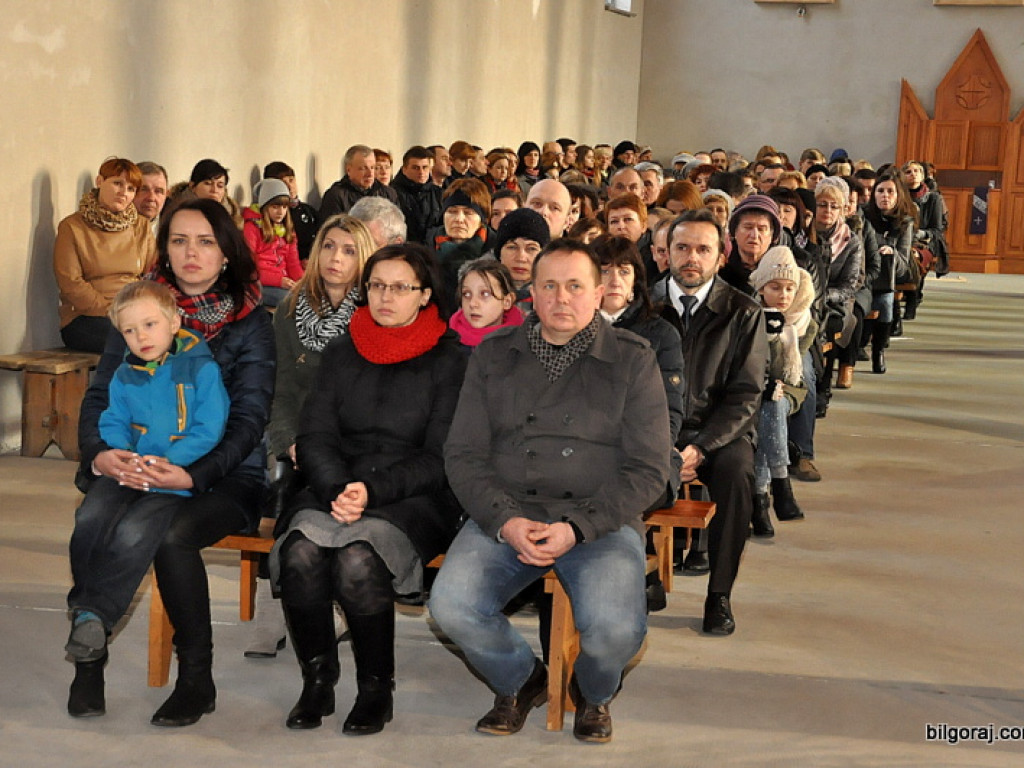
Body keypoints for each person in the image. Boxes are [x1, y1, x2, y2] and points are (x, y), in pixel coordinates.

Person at [430, 238, 672, 744]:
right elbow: (464, 454)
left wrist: (579, 527)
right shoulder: (494, 355)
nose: (562, 299)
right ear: (530, 295)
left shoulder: (633, 359)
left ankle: (593, 693)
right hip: (508, 511)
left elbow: (650, 469)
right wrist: (504, 519)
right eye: (549, 287)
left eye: (575, 286)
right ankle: (522, 680)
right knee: (451, 606)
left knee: (615, 632)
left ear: (600, 292)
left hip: (597, 520)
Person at [67, 197, 274, 724]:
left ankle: (196, 681)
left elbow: (249, 421)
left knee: (171, 534)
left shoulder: (251, 322)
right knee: (92, 515)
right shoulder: (137, 310)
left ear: (227, 252)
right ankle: (89, 660)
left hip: (227, 473)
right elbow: (99, 398)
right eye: (179, 240)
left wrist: (193, 472)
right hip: (137, 459)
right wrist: (102, 455)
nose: (191, 253)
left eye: (206, 241)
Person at [273, 243, 467, 735]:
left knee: (357, 560)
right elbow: (314, 433)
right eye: (376, 285)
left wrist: (370, 492)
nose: (385, 296)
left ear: (424, 295)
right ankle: (318, 678)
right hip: (334, 485)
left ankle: (376, 687)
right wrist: (340, 486)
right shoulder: (342, 350)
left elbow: (440, 455)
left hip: (411, 496)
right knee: (300, 553)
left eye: (400, 287)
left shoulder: (451, 360)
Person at [245, 214, 377, 659]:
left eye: (348, 250)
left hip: (351, 440)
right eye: (328, 247)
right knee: (281, 488)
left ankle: (335, 599)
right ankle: (272, 605)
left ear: (364, 260)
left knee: (337, 497)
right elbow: (278, 388)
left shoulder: (373, 314)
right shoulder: (288, 309)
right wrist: (288, 440)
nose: (335, 258)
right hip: (299, 438)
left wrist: (326, 449)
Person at [655, 208, 768, 635]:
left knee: (738, 474)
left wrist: (701, 446)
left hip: (719, 432)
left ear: (721, 256)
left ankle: (719, 594)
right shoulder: (646, 307)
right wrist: (663, 442)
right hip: (657, 427)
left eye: (703, 249)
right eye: (682, 248)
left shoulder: (743, 311)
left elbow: (746, 393)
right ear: (665, 253)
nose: (691, 258)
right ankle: (643, 575)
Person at [95, 281, 230, 498]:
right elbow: (114, 418)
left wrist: (172, 459)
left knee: (137, 528)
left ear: (174, 323)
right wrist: (123, 453)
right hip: (133, 474)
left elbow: (210, 427)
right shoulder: (123, 375)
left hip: (178, 476)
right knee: (92, 517)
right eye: (130, 330)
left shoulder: (202, 370)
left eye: (150, 324)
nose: (141, 337)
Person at [747, 248, 817, 536]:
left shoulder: (804, 322)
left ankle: (764, 497)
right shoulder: (748, 316)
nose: (784, 295)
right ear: (761, 288)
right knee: (768, 408)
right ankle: (777, 488)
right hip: (754, 389)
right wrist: (769, 333)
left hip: (789, 389)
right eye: (775, 287)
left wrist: (778, 336)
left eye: (790, 288)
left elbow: (789, 374)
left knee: (773, 405)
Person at [54, 157, 155, 353]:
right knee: (131, 342)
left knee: (176, 338)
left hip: (135, 314)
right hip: (86, 317)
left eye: (131, 189)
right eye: (117, 183)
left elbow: (152, 275)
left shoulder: (141, 226)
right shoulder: (72, 227)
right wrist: (111, 311)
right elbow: (70, 282)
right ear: (99, 182)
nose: (123, 193)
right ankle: (111, 385)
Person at [862, 171, 916, 374]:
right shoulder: (864, 216)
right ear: (874, 194)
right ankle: (860, 343)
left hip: (886, 278)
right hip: (863, 274)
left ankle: (878, 350)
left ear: (898, 195)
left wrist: (891, 253)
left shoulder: (904, 222)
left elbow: (904, 266)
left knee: (885, 301)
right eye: (880, 191)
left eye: (890, 192)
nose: (885, 196)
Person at [814, 177, 864, 396]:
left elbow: (849, 286)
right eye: (822, 204)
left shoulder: (851, 241)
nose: (828, 210)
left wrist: (821, 297)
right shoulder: (805, 235)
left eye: (834, 206)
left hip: (834, 300)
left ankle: (824, 386)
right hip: (802, 297)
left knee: (831, 324)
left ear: (842, 209)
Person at [429, 178, 493, 310]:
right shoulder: (427, 250)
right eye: (452, 211)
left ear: (482, 219)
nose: (459, 219)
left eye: (468, 212)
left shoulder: (496, 251)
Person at [243, 178, 303, 307]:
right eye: (275, 207)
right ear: (265, 207)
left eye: (284, 207)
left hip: (283, 282)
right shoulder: (252, 228)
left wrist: (302, 282)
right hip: (259, 283)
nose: (280, 212)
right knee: (293, 302)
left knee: (310, 296)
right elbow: (249, 268)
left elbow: (293, 263)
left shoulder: (288, 229)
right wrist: (278, 280)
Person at [449, 258, 525, 346]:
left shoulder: (523, 344)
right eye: (466, 294)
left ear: (507, 301)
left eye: (485, 294)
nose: (472, 304)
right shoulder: (446, 344)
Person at [494, 207, 551, 313]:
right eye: (512, 247)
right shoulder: (477, 291)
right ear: (499, 253)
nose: (521, 258)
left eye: (531, 249)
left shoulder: (554, 298)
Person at [319, 145, 399, 220]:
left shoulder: (388, 193)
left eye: (372, 167)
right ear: (349, 170)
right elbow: (331, 230)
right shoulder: (337, 195)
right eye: (363, 168)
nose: (370, 174)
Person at [263, 161, 319, 263]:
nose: (290, 186)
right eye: (283, 183)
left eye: (291, 180)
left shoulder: (308, 210)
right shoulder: (275, 216)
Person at [390, 145, 442, 245]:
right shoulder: (393, 193)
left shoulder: (438, 193)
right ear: (404, 169)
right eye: (415, 168)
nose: (421, 172)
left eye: (425, 167)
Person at [135, 161, 169, 226]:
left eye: (158, 191)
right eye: (143, 190)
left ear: (166, 194)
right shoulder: (113, 231)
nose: (151, 198)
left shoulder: (173, 228)